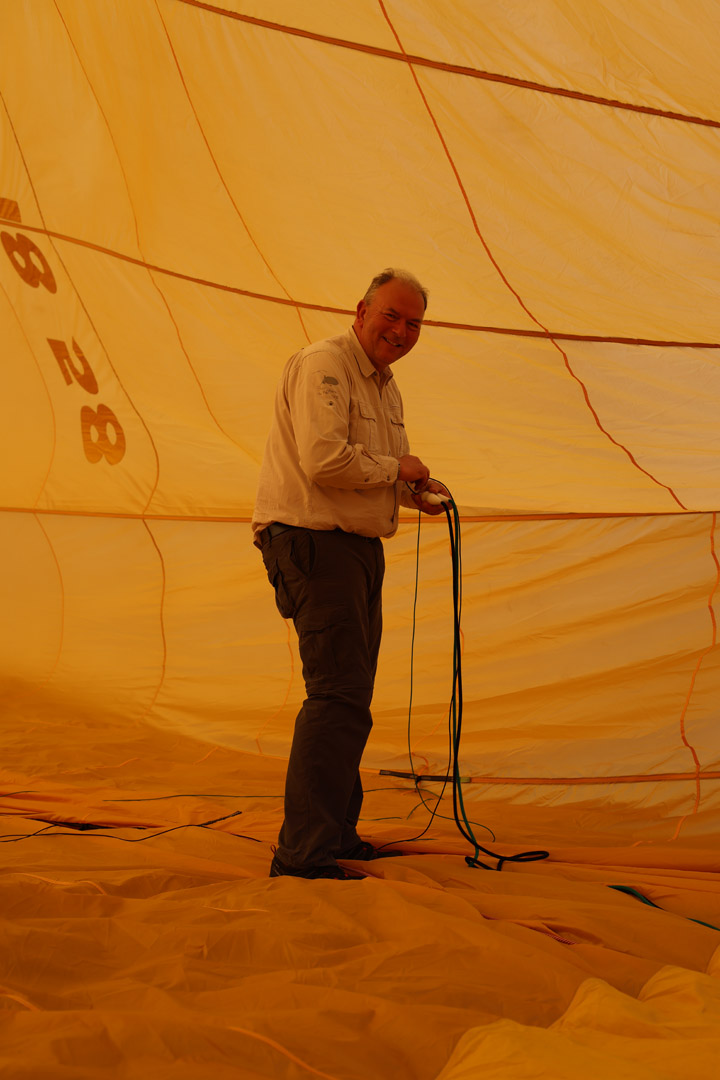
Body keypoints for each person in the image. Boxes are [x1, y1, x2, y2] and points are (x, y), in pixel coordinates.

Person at [252, 268, 447, 879]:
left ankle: (335, 834)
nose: (401, 331)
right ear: (360, 311)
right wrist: (399, 470)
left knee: (351, 697)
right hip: (313, 541)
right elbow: (323, 461)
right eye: (391, 315)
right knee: (337, 694)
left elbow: (374, 468)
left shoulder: (386, 386)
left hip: (355, 546)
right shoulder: (324, 364)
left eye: (413, 323)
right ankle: (303, 855)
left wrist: (416, 493)